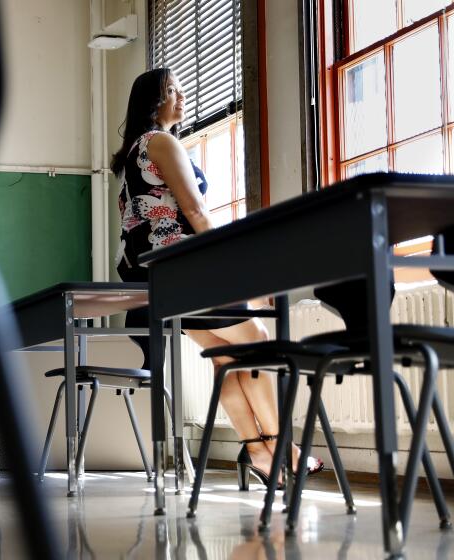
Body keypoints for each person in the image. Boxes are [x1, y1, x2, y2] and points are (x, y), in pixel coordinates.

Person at [112, 67, 322, 486]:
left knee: (227, 359)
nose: (181, 97)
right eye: (172, 90)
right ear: (152, 101)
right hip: (187, 268)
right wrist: (237, 269)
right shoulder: (159, 142)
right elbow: (195, 211)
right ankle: (284, 449)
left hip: (159, 279)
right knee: (259, 343)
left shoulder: (134, 153)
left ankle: (262, 454)